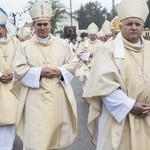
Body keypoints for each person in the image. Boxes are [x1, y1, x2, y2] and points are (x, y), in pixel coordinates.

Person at [82, 0, 150, 149]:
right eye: (129, 24)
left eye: (137, 24)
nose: (134, 27)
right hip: (119, 115)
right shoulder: (108, 50)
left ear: (143, 27)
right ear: (121, 26)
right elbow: (104, 84)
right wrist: (130, 105)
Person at [12, 1, 78, 150]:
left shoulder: (62, 44)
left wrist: (60, 70)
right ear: (34, 25)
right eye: (39, 24)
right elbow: (19, 69)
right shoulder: (24, 46)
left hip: (58, 97)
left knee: (57, 138)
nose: (42, 27)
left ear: (50, 24)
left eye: (45, 24)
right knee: (37, 137)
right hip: (35, 99)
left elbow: (73, 63)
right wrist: (39, 71)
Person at [0, 7, 21, 150]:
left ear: (4, 27)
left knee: (9, 122)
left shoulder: (16, 42)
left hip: (12, 87)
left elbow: (22, 61)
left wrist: (14, 73)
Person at [75, 22, 103, 90]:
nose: (92, 36)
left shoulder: (101, 44)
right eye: (91, 35)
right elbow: (78, 54)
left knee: (97, 83)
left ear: (96, 35)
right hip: (86, 65)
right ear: (88, 35)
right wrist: (89, 55)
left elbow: (103, 54)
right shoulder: (83, 44)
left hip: (97, 66)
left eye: (94, 35)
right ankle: (87, 95)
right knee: (87, 82)